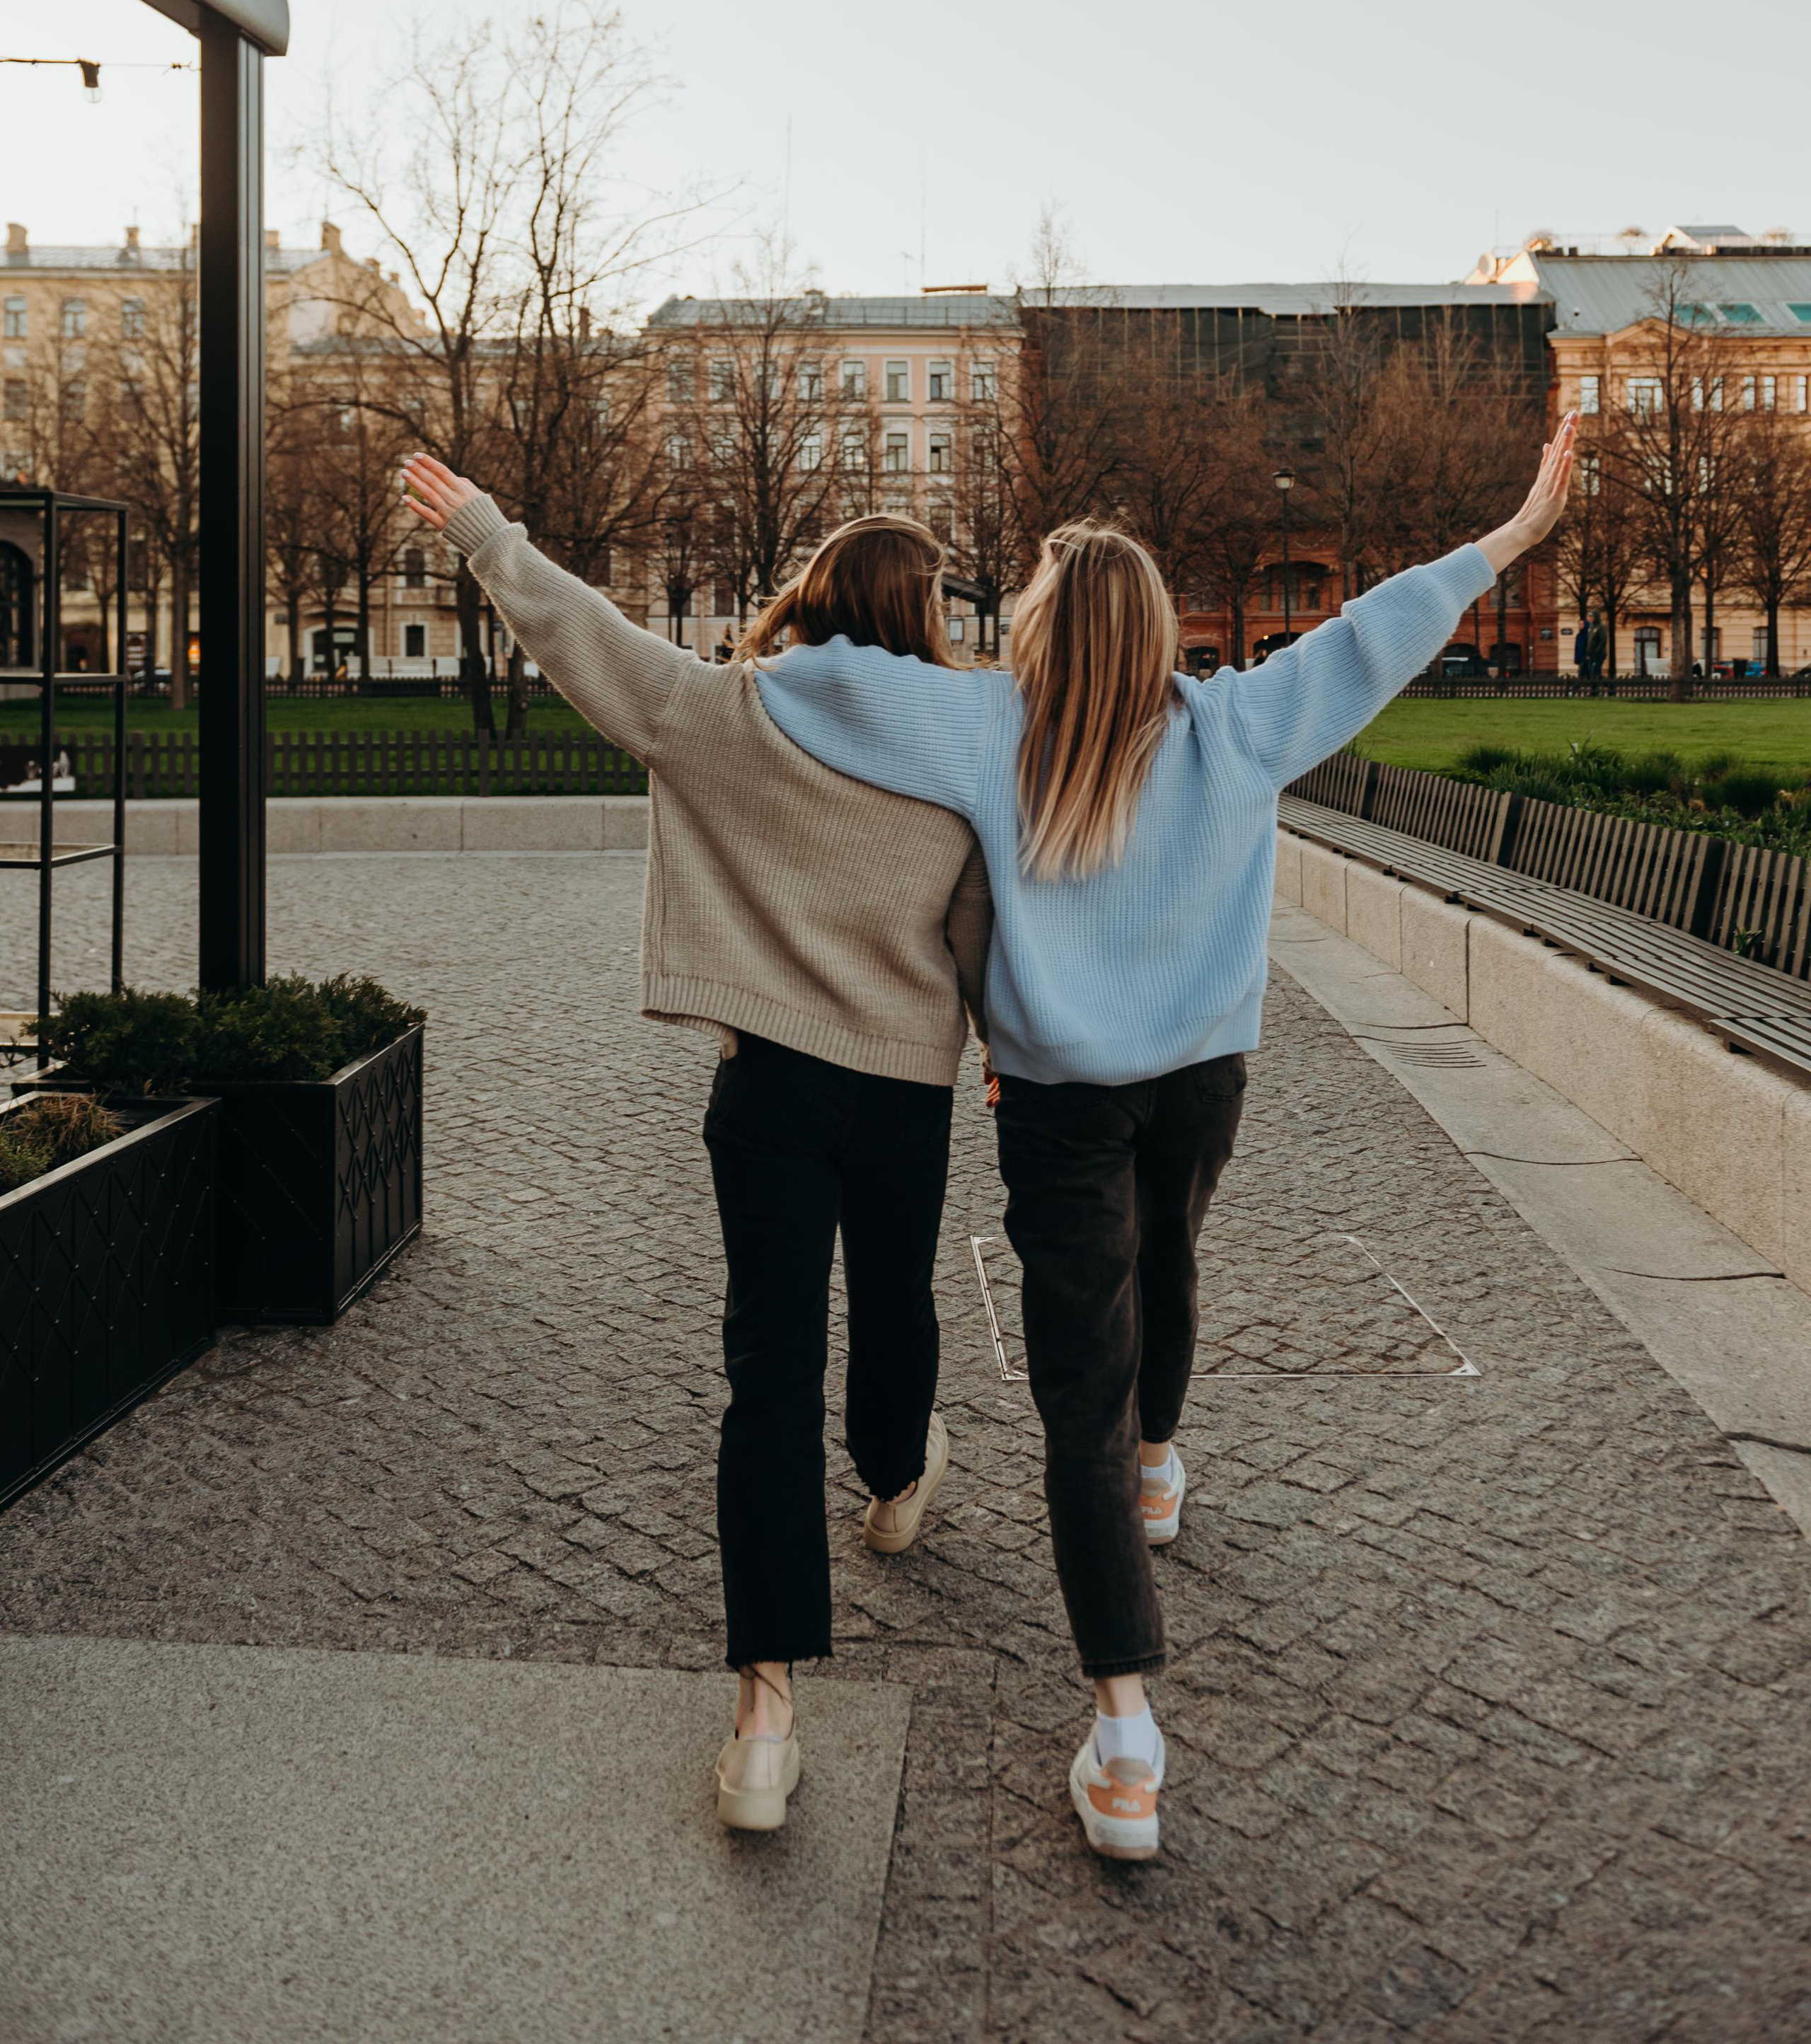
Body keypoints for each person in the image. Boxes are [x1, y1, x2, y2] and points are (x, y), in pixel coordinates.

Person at [752, 415, 1578, 1861]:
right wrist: (1510, 534)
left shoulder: (986, 722)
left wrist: (752, 652)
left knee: (1080, 1384)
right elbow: (1377, 631)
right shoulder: (1236, 721)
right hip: (1202, 1071)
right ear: (1153, 631)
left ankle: (1123, 1735)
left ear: (1036, 629)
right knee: (1171, 1255)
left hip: (1062, 1096)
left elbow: (823, 685)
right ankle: (1164, 1460)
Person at [398, 456, 990, 1834]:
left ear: (813, 599)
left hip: (766, 1090)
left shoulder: (728, 712)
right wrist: (1010, 1056)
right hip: (903, 1084)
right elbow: (980, 928)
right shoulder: (963, 747)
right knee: (894, 1307)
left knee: (765, 1380)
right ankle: (897, 1478)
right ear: (922, 619)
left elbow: (581, 638)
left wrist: (487, 530)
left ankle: (764, 1718)